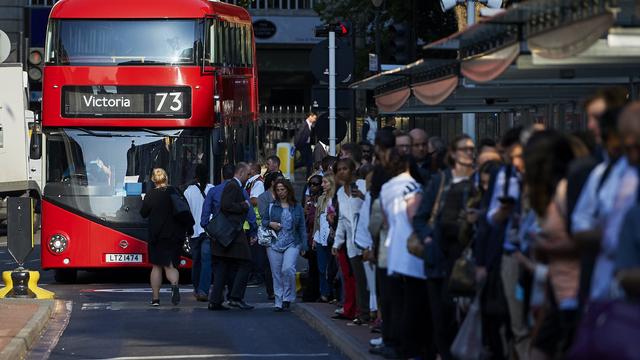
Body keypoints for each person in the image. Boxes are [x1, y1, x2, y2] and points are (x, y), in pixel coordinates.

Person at [413, 134, 477, 360]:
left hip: (466, 257)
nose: (469, 153)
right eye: (464, 149)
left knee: (463, 315)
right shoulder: (440, 181)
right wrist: (428, 238)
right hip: (439, 257)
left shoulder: (477, 181)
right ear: (453, 154)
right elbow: (420, 218)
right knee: (441, 316)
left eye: (471, 149)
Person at [379, 149, 428, 359]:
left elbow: (386, 220)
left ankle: (397, 343)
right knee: (414, 302)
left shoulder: (387, 187)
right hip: (412, 251)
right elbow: (414, 216)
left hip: (393, 248)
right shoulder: (412, 186)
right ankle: (410, 347)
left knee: (397, 301)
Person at [207, 163, 256, 311]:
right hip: (232, 234)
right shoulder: (233, 186)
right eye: (247, 174)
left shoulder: (233, 186)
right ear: (240, 172)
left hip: (225, 236)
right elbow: (226, 205)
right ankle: (235, 297)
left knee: (223, 266)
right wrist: (244, 206)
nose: (248, 178)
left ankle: (215, 301)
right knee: (246, 262)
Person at [140, 168, 187, 306]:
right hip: (173, 235)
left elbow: (143, 213)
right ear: (166, 178)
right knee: (170, 265)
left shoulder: (150, 195)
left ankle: (155, 299)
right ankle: (174, 285)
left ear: (153, 180)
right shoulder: (175, 192)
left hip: (157, 235)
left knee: (156, 266)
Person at [332, 158, 370, 324]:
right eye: (339, 169)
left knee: (371, 279)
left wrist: (363, 196)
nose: (342, 172)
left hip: (367, 240)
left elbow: (374, 205)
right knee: (359, 279)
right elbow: (341, 220)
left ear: (353, 170)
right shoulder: (340, 192)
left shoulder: (362, 185)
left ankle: (373, 314)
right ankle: (363, 313)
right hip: (351, 243)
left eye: (345, 169)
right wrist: (336, 243)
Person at [264, 179, 308, 311]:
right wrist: (270, 224)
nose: (280, 192)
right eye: (278, 190)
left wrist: (304, 245)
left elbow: (301, 227)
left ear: (288, 190)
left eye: (283, 189)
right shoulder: (272, 206)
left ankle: (287, 297)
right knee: (276, 273)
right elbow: (264, 221)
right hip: (274, 243)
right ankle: (279, 300)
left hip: (292, 242)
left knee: (287, 269)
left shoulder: (297, 207)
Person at [183, 164, 214, 301]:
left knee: (196, 261)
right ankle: (203, 290)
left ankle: (196, 288)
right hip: (208, 231)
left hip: (194, 231)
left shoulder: (188, 191)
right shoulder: (212, 189)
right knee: (207, 262)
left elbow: (186, 212)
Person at [313, 174, 337, 303]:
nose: (322, 185)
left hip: (332, 236)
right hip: (320, 236)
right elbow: (317, 220)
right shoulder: (321, 198)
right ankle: (324, 293)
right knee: (322, 267)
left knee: (332, 267)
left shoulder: (336, 198)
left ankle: (333, 293)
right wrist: (314, 237)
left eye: (325, 182)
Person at [302, 175, 323, 302]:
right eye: (310, 184)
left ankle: (319, 292)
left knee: (319, 267)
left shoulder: (321, 201)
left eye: (315, 184)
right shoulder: (310, 201)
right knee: (313, 267)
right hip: (310, 237)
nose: (312, 187)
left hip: (319, 237)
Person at [294, 112, 318, 178]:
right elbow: (299, 135)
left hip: (307, 145)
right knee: (305, 161)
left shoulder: (310, 125)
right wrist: (296, 145)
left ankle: (308, 176)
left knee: (310, 161)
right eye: (314, 118)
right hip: (303, 145)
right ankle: (293, 167)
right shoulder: (304, 124)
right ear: (310, 116)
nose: (315, 120)